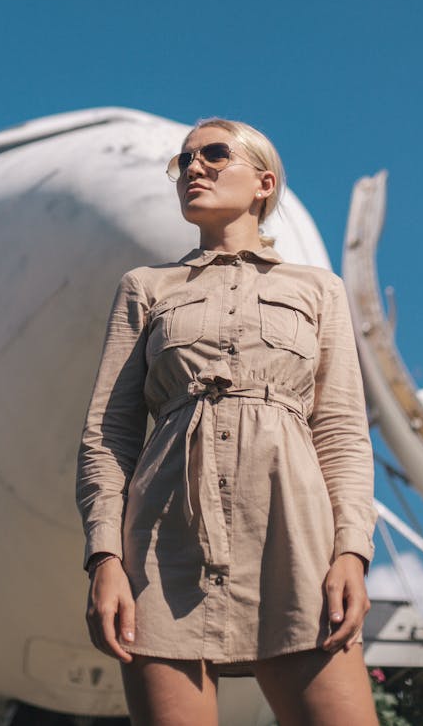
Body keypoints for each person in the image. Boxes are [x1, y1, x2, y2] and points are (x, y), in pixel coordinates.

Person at [76, 117, 378, 726]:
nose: (193, 168)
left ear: (264, 182)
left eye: (214, 154)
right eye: (182, 161)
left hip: (295, 541)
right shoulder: (146, 288)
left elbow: (342, 432)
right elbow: (108, 437)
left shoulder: (319, 291)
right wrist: (105, 557)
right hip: (164, 547)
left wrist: (352, 550)